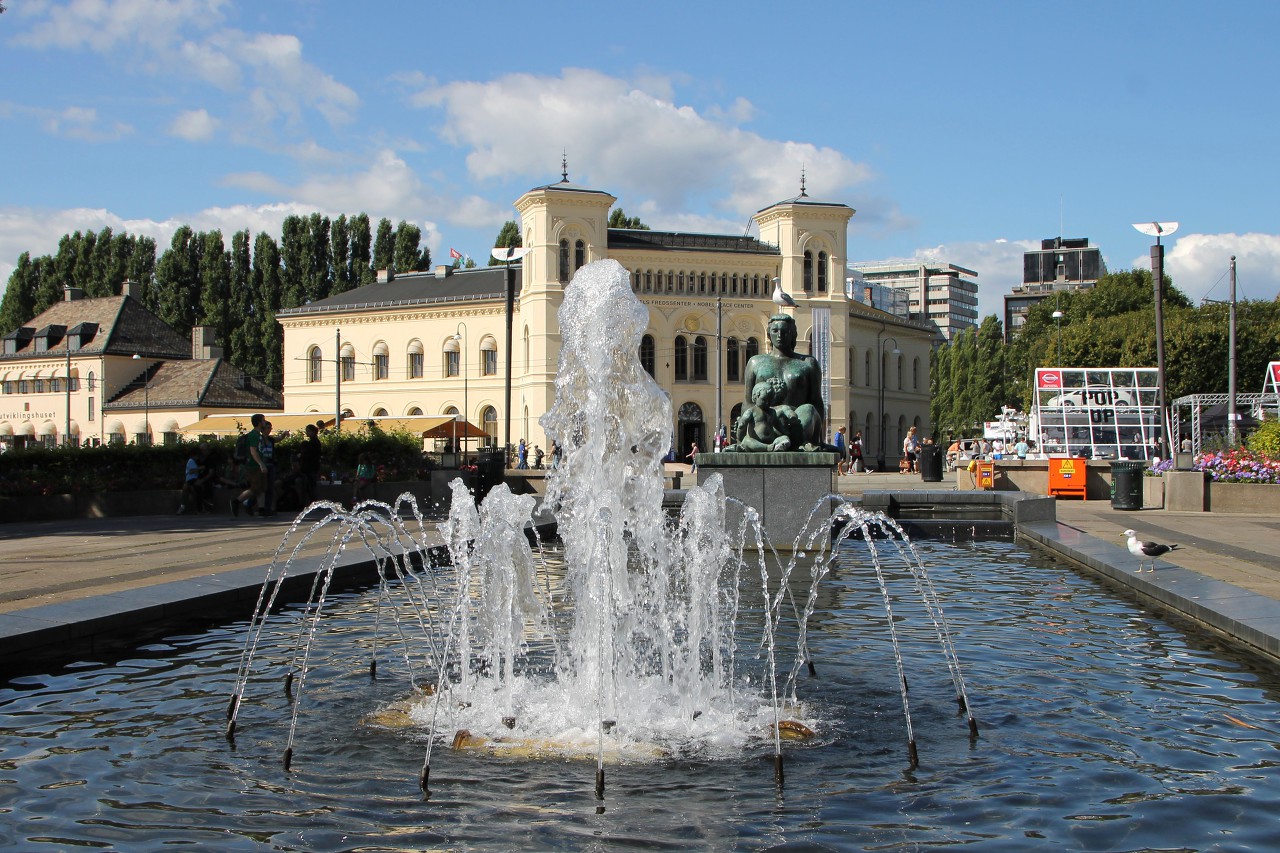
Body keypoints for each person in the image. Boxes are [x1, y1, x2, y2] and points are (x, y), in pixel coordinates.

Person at [741, 314, 824, 451]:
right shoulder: (755, 362)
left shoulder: (808, 363)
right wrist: (745, 431)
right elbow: (748, 401)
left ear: (793, 334)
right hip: (767, 426)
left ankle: (799, 442)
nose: (780, 335)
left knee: (808, 409)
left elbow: (816, 402)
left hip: (797, 425)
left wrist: (817, 439)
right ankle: (772, 444)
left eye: (785, 331)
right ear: (769, 334)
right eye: (775, 331)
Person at [727, 379, 793, 452]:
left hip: (771, 441)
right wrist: (741, 426)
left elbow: (777, 425)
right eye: (764, 399)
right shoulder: (751, 411)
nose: (767, 402)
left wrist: (786, 432)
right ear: (755, 397)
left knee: (785, 438)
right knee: (747, 441)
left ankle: (776, 447)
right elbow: (743, 421)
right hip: (756, 441)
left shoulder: (772, 412)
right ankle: (767, 448)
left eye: (770, 400)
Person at [232, 414, 266, 518]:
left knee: (261, 488)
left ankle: (261, 509)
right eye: (263, 420)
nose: (265, 422)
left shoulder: (258, 434)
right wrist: (261, 464)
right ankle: (237, 501)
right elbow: (253, 451)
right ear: (259, 422)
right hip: (253, 465)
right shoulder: (254, 435)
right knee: (255, 488)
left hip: (258, 464)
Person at [297, 423, 322, 505]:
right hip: (312, 467)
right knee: (310, 486)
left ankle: (313, 503)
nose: (306, 433)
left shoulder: (313, 443)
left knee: (310, 486)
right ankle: (312, 502)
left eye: (308, 431)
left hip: (311, 467)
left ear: (313, 432)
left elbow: (311, 455)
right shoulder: (314, 442)